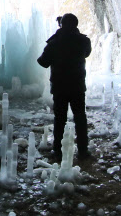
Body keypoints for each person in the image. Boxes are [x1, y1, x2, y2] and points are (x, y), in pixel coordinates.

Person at [37, 13, 92, 160]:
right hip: (77, 86)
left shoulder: (54, 42)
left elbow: (43, 62)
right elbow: (86, 53)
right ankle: (82, 150)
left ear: (62, 24)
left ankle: (58, 150)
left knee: (60, 119)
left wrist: (57, 36)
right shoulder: (83, 41)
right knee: (80, 117)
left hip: (60, 87)